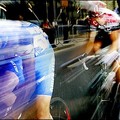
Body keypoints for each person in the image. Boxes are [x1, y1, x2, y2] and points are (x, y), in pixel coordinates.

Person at [79, 1, 120, 83]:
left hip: (116, 34)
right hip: (104, 32)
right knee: (96, 47)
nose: (96, 20)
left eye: (98, 18)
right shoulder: (92, 20)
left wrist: (109, 55)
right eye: (94, 18)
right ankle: (101, 72)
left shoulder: (111, 18)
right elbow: (91, 40)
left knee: (116, 63)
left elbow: (115, 42)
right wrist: (85, 55)